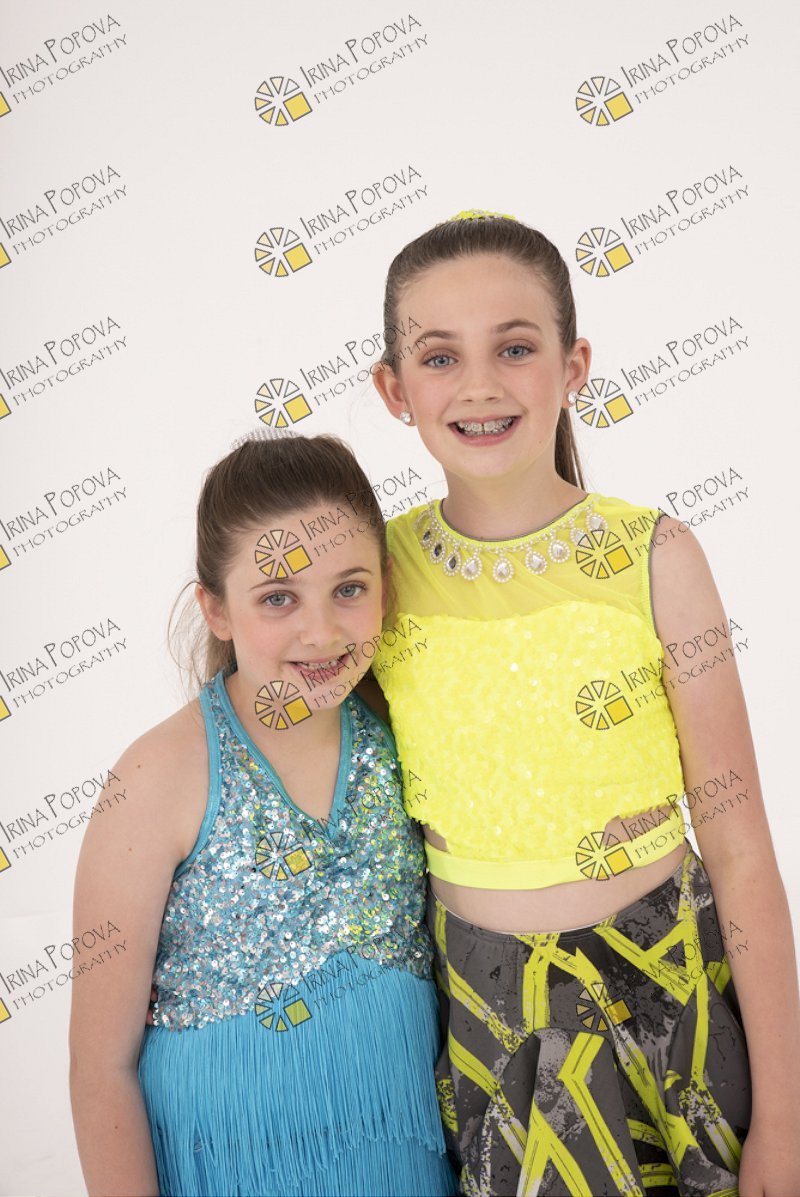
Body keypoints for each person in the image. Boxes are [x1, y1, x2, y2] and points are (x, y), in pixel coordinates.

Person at [370, 210, 800, 1197]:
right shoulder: (374, 576)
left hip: (671, 1006)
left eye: (515, 348)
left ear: (573, 366)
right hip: (488, 1021)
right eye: (440, 357)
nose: (479, 385)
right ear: (395, 390)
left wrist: (783, 1117)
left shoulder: (657, 557)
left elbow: (738, 844)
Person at [69, 434, 456, 1197]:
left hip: (401, 1164)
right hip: (227, 1168)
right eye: (279, 597)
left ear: (385, 586)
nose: (322, 631)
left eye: (349, 588)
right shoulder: (156, 776)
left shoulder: (409, 738)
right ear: (215, 608)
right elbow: (99, 1066)